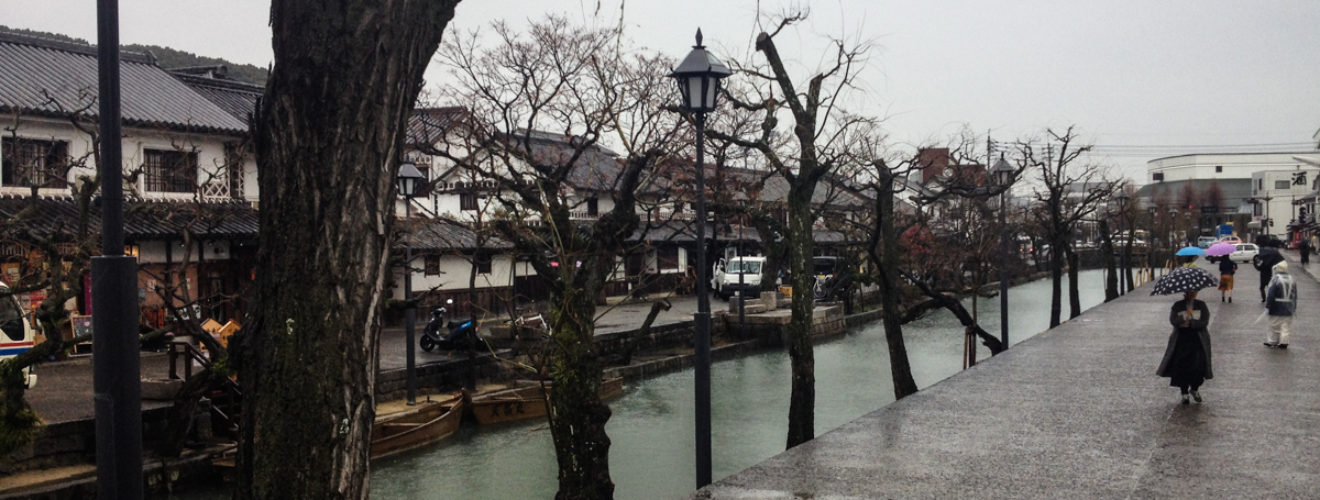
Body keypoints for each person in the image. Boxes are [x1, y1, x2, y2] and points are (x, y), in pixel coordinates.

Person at [1156, 289, 1213, 404]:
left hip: (1198, 340)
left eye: (1195, 292)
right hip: (1182, 340)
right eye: (1191, 292)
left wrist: (1191, 323)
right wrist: (1184, 317)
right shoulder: (1177, 305)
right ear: (1186, 293)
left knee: (1198, 366)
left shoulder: (1201, 305)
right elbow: (1173, 320)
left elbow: (1205, 321)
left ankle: (1195, 389)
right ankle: (1184, 392)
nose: (1193, 293)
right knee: (1181, 366)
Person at [1264, 261, 1297, 349]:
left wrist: (1268, 306)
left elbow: (1271, 294)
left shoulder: (1275, 279)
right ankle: (1284, 342)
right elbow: (1295, 295)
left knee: (1274, 325)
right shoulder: (1291, 279)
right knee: (1285, 326)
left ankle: (1273, 341)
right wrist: (1294, 307)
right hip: (1289, 307)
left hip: (1276, 306)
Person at [1253, 236, 1284, 302]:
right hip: (1269, 276)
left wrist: (1255, 264)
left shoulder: (1263, 262)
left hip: (1263, 277)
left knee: (1262, 288)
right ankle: (1271, 297)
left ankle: (1264, 298)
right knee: (1270, 287)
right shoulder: (1270, 262)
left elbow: (1258, 268)